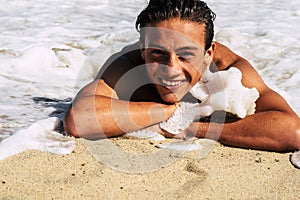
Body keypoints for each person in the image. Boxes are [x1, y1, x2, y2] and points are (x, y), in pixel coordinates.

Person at [64, 0, 300, 151]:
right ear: (143, 49)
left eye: (186, 55)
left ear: (208, 54)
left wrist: (190, 127)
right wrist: (172, 112)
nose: (171, 68)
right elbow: (78, 119)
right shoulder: (127, 64)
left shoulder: (228, 70)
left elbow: (293, 131)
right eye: (157, 53)